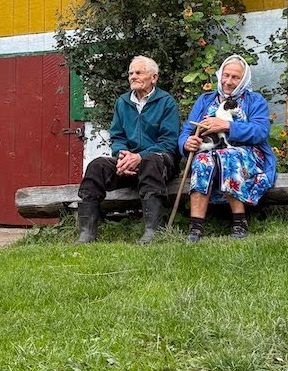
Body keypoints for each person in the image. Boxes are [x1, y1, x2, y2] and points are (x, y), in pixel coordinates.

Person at [76, 55, 181, 245]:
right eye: (131, 73)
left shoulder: (166, 102)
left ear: (154, 77)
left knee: (151, 161)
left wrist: (139, 157)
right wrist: (123, 155)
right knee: (96, 166)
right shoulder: (122, 102)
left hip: (160, 162)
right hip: (128, 162)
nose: (133, 76)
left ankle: (153, 231)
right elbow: (117, 136)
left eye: (138, 72)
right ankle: (87, 233)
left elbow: (169, 141)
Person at [178, 54, 276, 241]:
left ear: (243, 79)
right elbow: (187, 130)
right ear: (220, 75)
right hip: (210, 150)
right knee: (202, 159)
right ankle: (195, 227)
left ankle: (239, 222)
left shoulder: (254, 101)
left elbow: (261, 131)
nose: (228, 81)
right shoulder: (206, 100)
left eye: (235, 77)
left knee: (228, 155)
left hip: (247, 154)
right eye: (226, 75)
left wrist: (227, 126)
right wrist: (186, 142)